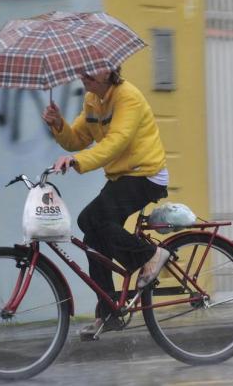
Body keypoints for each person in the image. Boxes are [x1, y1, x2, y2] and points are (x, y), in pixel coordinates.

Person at [41, 67, 171, 340]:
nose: (84, 73)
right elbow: (77, 138)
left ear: (110, 71)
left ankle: (149, 255)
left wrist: (79, 161)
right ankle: (110, 311)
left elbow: (116, 142)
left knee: (92, 219)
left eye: (92, 68)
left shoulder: (128, 97)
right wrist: (57, 124)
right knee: (92, 233)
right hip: (122, 176)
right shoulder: (93, 100)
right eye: (82, 69)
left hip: (145, 174)